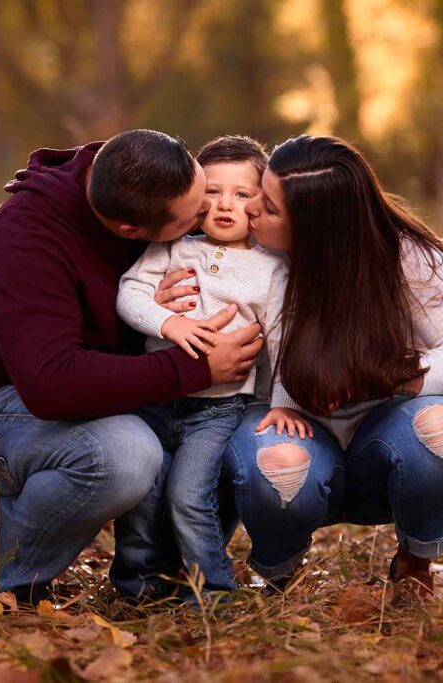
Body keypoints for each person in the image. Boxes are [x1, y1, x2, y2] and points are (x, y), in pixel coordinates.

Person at [0, 129, 263, 605]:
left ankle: (167, 582)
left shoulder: (139, 177)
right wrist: (197, 369)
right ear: (131, 231)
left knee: (221, 431)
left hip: (94, 395)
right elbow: (53, 385)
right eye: (192, 218)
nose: (204, 220)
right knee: (125, 456)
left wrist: (158, 314)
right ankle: (4, 575)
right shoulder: (25, 242)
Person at [211, 135, 443, 601]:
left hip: (382, 434)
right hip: (285, 431)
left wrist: (381, 375)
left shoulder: (406, 256)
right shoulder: (238, 252)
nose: (252, 210)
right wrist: (167, 311)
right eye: (259, 193)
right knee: (280, 466)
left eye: (271, 208)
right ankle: (281, 572)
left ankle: (415, 561)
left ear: (318, 229)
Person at [114, 136, 308, 596]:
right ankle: (136, 585)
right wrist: (168, 324)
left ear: (261, 200)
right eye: (213, 191)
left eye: (242, 194)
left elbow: (281, 339)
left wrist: (283, 401)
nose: (225, 205)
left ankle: (210, 590)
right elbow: (130, 293)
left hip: (218, 410)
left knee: (188, 495)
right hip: (155, 399)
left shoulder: (271, 268)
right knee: (142, 496)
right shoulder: (172, 248)